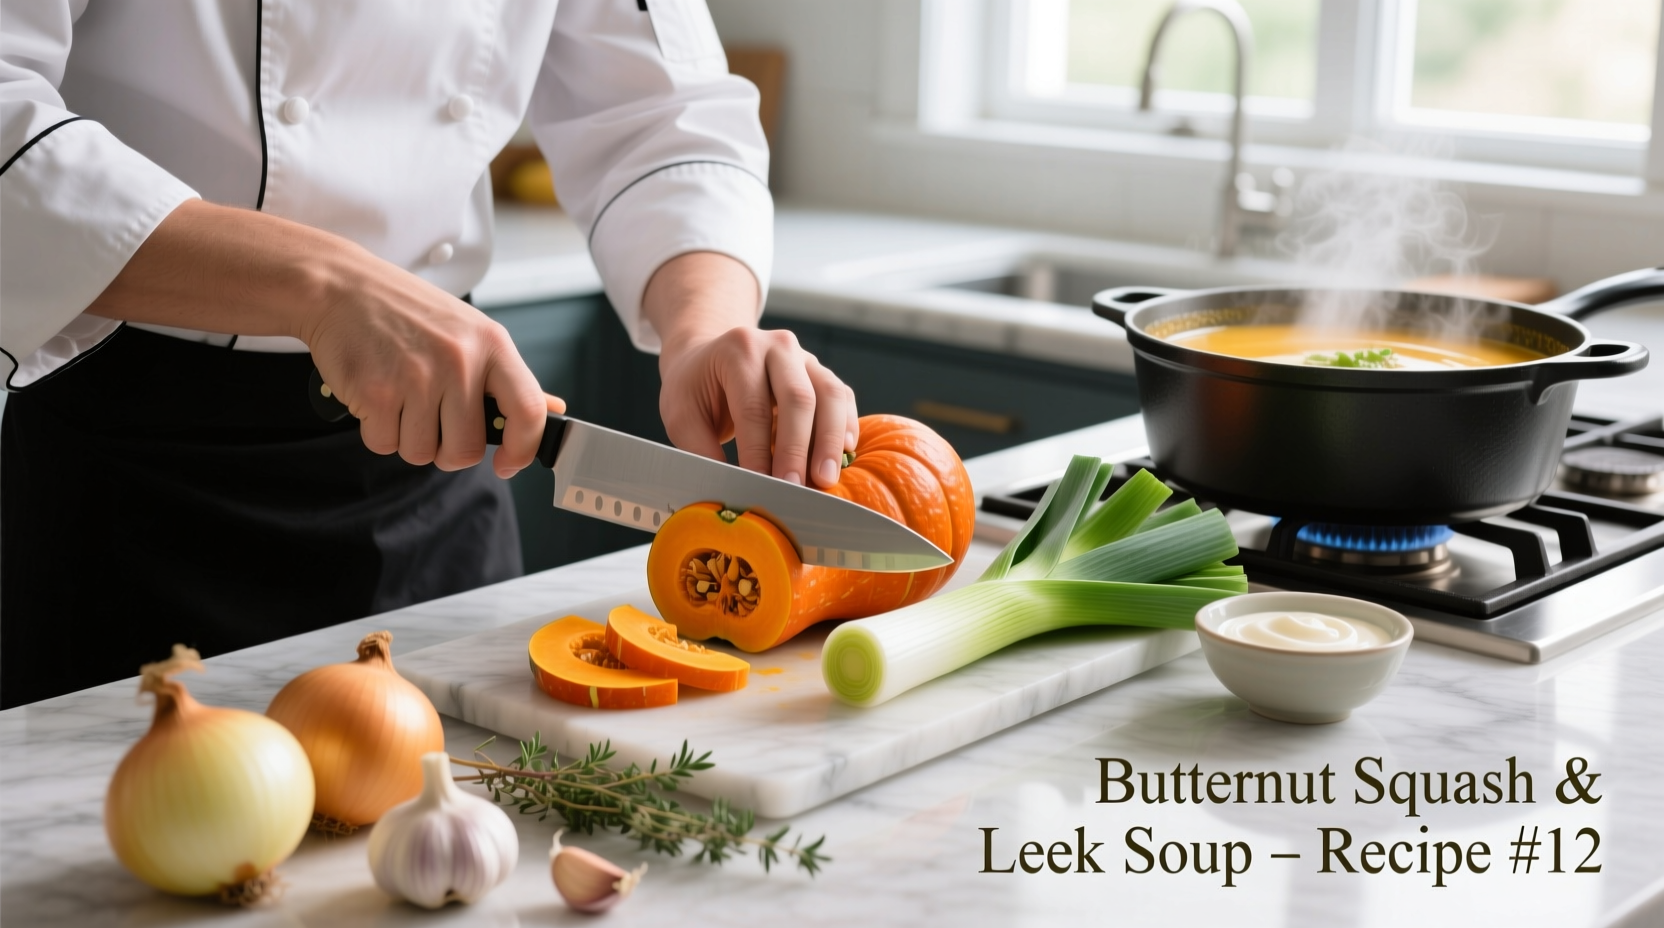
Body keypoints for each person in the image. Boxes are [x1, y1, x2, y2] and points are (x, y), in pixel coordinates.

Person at [0, 1, 856, 707]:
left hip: (445, 457)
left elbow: (662, 114)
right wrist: (324, 285)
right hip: (136, 485)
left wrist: (703, 325)